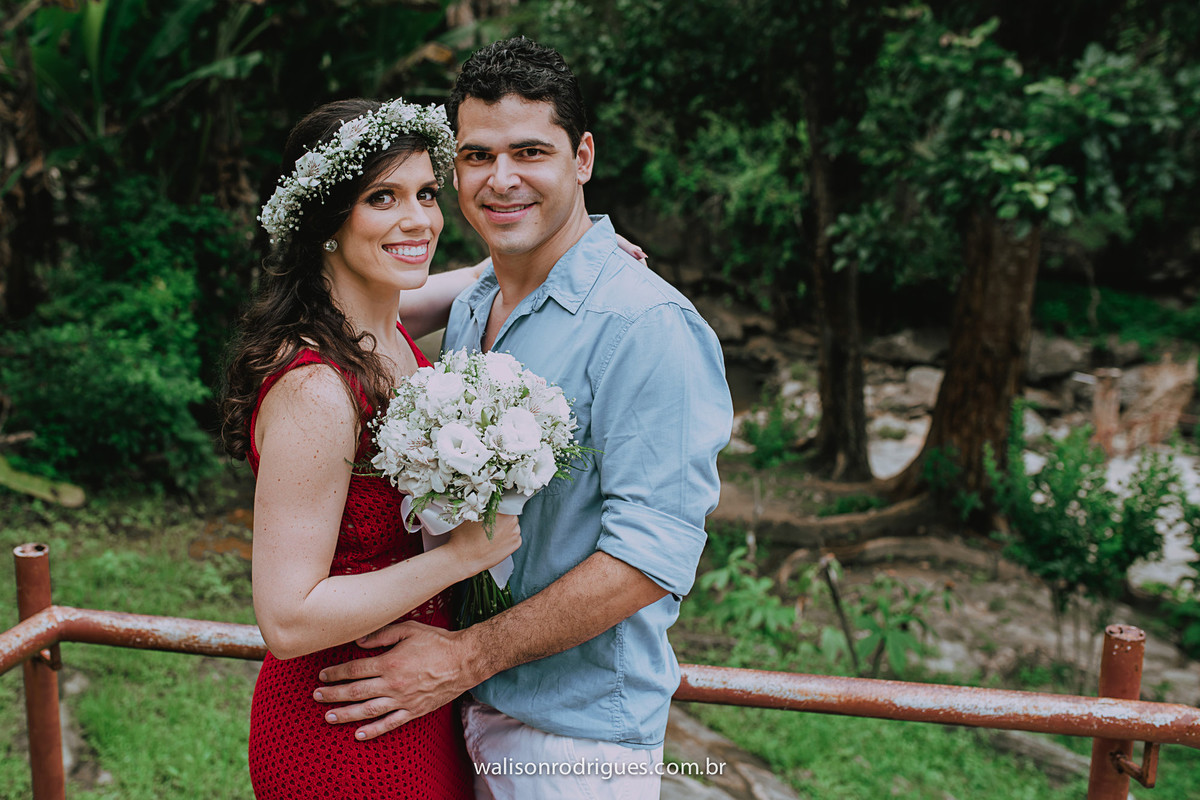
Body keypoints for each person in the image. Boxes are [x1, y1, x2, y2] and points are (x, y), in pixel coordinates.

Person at [314, 38, 734, 799]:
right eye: (477, 156)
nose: (501, 179)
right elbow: (338, 309)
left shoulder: (645, 325)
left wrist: (464, 657)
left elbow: (650, 558)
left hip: (572, 742)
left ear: (583, 158)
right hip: (454, 717)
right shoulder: (475, 304)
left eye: (531, 152)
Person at [218, 97, 524, 799]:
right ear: (326, 222)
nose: (419, 220)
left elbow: (464, 280)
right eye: (382, 198)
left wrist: (561, 252)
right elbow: (287, 617)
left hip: (416, 699)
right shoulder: (317, 389)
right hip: (341, 726)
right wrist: (462, 557)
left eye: (426, 194)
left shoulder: (381, 326)